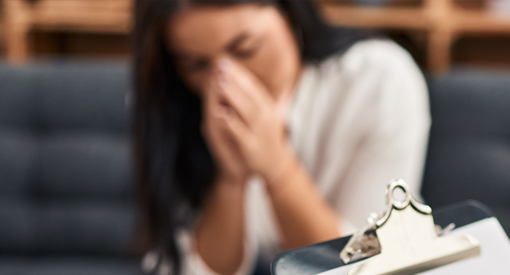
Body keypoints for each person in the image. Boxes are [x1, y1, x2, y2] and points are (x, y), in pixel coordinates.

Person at [132, 0, 430, 274]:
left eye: (245, 49)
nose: (225, 82)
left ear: (290, 13)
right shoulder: (174, 106)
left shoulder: (379, 81)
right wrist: (231, 177)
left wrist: (277, 167)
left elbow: (365, 266)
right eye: (196, 65)